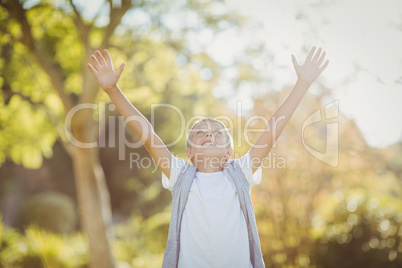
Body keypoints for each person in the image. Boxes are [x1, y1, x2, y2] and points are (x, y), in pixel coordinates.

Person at [87, 46, 329, 268]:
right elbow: (147, 135)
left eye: (218, 133)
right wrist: (112, 90)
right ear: (189, 152)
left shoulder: (241, 173)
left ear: (229, 153)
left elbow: (273, 129)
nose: (209, 135)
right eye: (200, 133)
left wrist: (302, 84)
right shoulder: (180, 175)